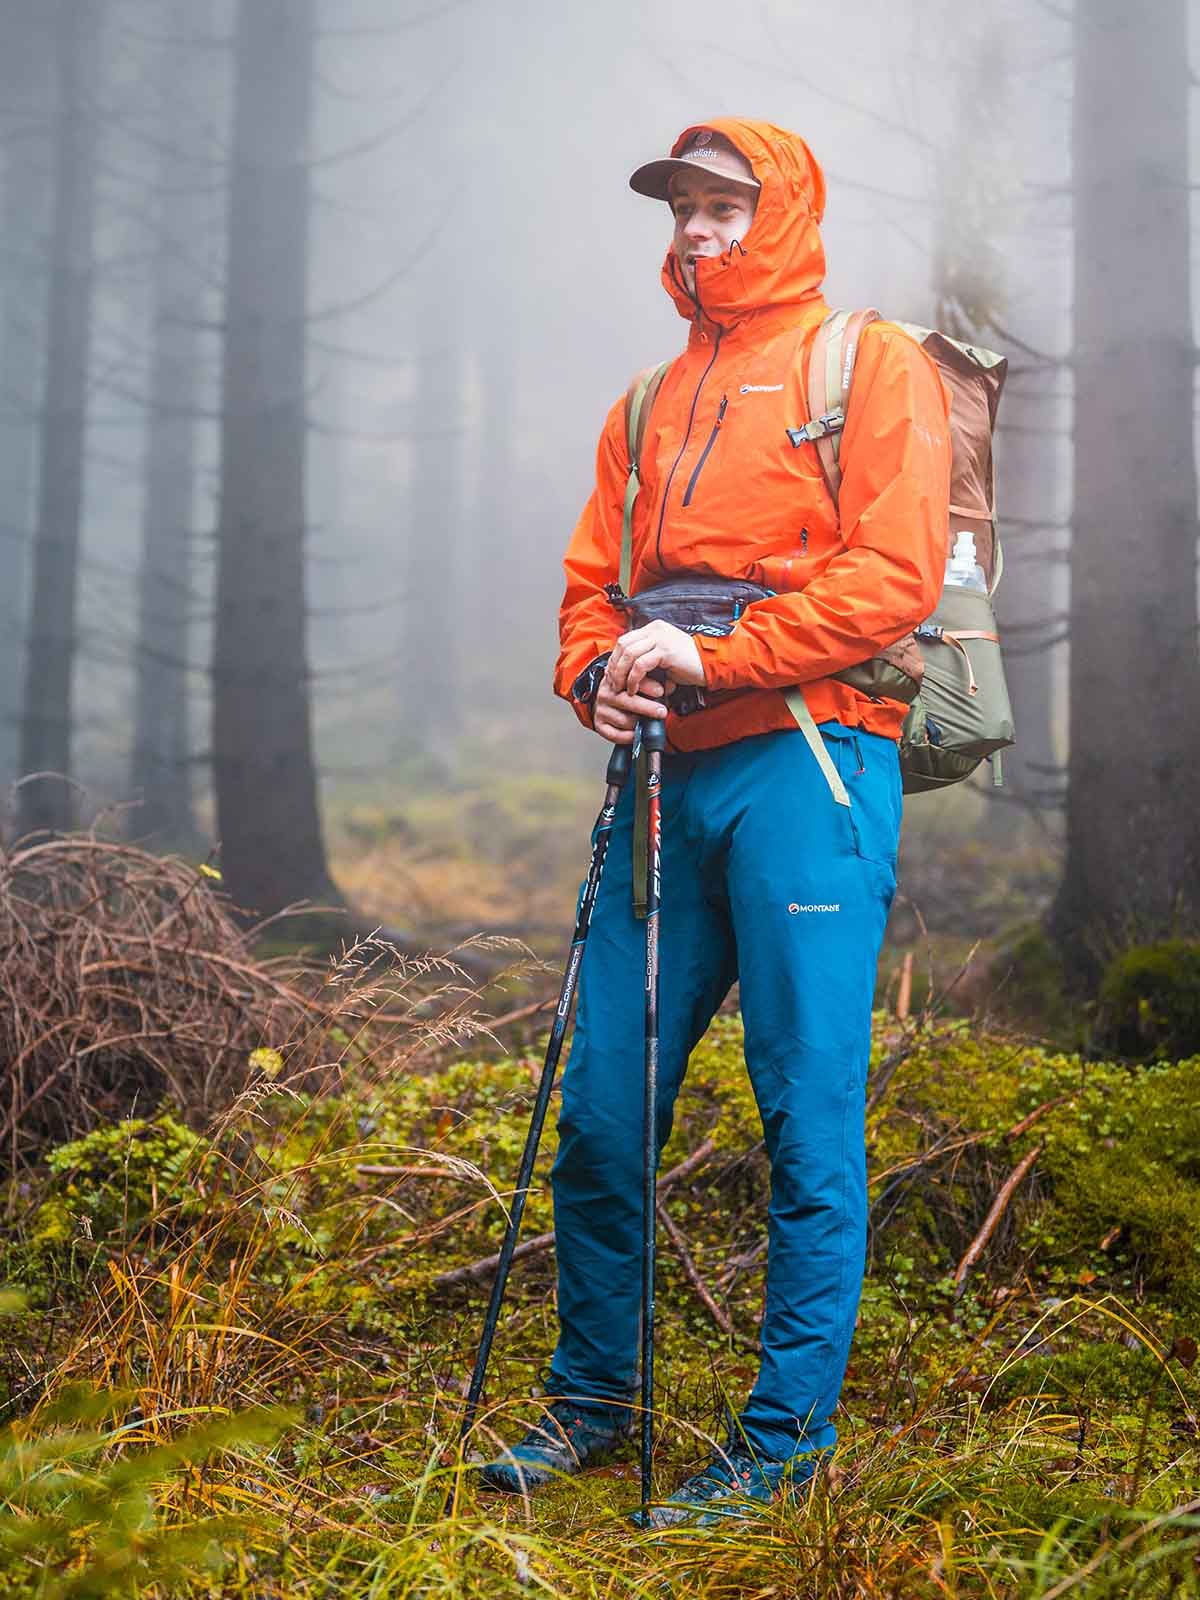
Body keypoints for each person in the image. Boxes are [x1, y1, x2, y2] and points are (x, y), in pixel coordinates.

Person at [478, 118, 951, 1526]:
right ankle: (589, 1408)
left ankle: (779, 1445)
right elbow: (589, 586)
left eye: (724, 206)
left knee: (807, 1121)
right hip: (663, 788)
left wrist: (721, 656)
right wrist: (594, 679)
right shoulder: (646, 403)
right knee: (605, 1113)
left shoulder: (865, 365)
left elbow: (895, 577)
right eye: (684, 207)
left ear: (784, 210)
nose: (696, 229)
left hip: (811, 770)